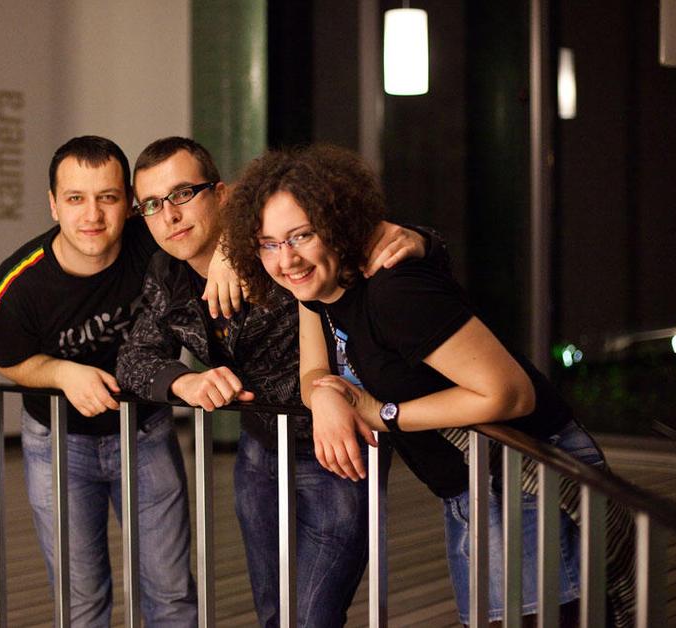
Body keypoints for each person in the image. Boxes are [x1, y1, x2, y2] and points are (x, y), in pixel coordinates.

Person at [220, 144, 635, 627]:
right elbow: (314, 371)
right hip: (470, 487)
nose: (286, 258)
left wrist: (384, 414)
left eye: (301, 235)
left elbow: (509, 392)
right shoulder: (318, 290)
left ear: (336, 225)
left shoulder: (394, 290)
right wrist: (326, 396)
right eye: (268, 243)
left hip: (523, 473)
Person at [115, 136, 444, 627]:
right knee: (274, 611)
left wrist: (422, 240)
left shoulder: (277, 244)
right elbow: (134, 357)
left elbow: (381, 239)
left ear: (222, 195)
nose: (170, 216)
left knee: (312, 617)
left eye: (183, 194)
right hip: (259, 451)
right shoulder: (168, 272)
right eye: (152, 205)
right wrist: (184, 383)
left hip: (338, 448)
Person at [0, 135, 236, 626]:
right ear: (53, 205)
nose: (92, 215)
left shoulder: (156, 236)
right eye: (76, 198)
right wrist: (61, 372)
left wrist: (227, 246)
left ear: (131, 205)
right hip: (58, 443)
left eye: (108, 197)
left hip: (146, 431)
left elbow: (234, 198)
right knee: (81, 600)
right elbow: (8, 360)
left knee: (171, 593)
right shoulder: (15, 286)